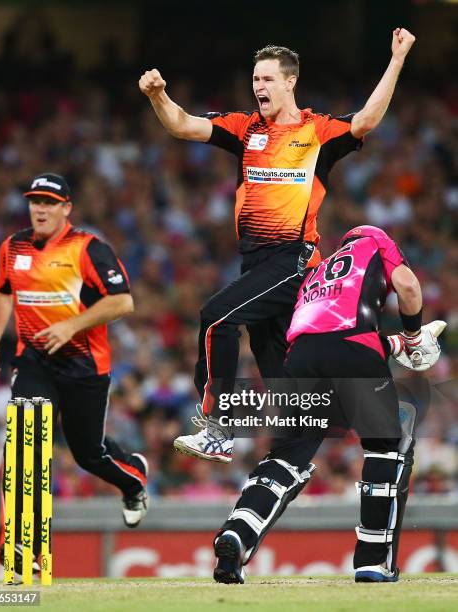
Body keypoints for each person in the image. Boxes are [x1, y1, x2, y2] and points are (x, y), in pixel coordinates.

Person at [139, 28, 416, 462]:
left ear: (290, 82)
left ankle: (217, 428)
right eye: (255, 80)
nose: (258, 87)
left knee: (216, 319)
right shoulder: (245, 129)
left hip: (294, 260)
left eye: (267, 80)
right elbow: (181, 124)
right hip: (256, 266)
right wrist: (158, 95)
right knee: (292, 385)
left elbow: (366, 121)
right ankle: (389, 374)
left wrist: (397, 59)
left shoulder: (318, 132)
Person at [212, 225, 443, 584]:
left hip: (302, 356)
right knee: (387, 447)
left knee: (286, 458)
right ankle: (373, 561)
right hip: (353, 346)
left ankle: (238, 534)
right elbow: (409, 288)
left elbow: (328, 335)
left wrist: (398, 344)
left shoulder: (315, 273)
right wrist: (414, 334)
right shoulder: (375, 243)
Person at [0, 173, 149, 576]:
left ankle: (133, 479)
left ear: (66, 208)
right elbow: (2, 291)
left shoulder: (88, 249)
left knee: (88, 454)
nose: (40, 209)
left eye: (49, 202)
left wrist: (72, 326)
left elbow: (123, 302)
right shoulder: (13, 247)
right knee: (24, 447)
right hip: (34, 364)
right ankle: (23, 550)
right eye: (35, 201)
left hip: (84, 367)